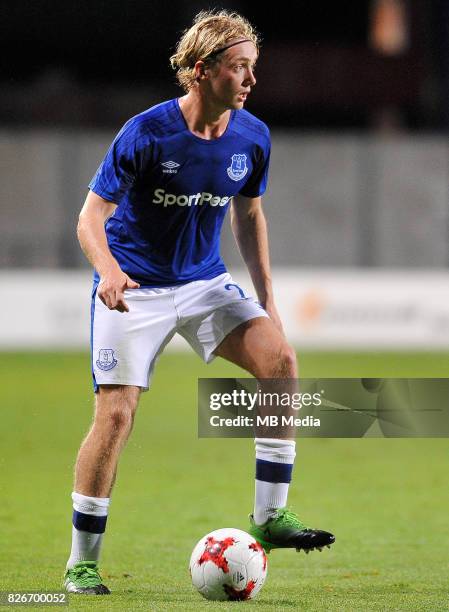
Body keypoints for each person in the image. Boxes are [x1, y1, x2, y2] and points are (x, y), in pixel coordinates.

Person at [63, 9, 335, 595]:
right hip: (133, 287)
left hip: (205, 283)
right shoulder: (146, 132)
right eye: (239, 68)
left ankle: (270, 516)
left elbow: (250, 214)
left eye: (252, 67)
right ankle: (81, 562)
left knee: (282, 364)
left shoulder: (252, 136)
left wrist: (269, 301)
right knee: (115, 416)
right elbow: (91, 217)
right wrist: (108, 271)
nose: (250, 80)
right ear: (199, 70)